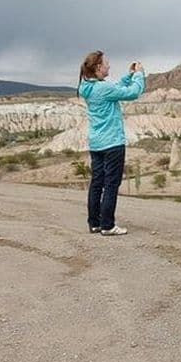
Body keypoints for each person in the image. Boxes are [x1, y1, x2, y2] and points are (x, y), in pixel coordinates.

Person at [77, 51, 145, 236]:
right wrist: (139, 74)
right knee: (111, 185)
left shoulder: (88, 87)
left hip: (96, 143)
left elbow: (114, 88)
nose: (109, 66)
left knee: (97, 183)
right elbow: (133, 92)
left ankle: (94, 223)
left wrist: (128, 75)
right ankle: (108, 225)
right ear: (98, 67)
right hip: (112, 143)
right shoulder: (102, 89)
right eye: (106, 63)